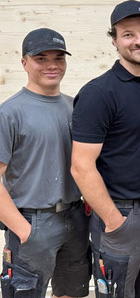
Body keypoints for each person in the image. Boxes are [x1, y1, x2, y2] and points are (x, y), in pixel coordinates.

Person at [70, 0, 140, 298]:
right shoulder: (98, 94)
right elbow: (81, 166)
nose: (139, 40)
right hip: (121, 214)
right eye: (128, 34)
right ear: (115, 41)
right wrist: (114, 220)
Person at [0, 28, 90, 298]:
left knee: (71, 293)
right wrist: (23, 230)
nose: (52, 65)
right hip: (32, 222)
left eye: (58, 58)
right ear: (24, 63)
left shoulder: (76, 107)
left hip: (75, 218)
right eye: (41, 58)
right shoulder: (9, 113)